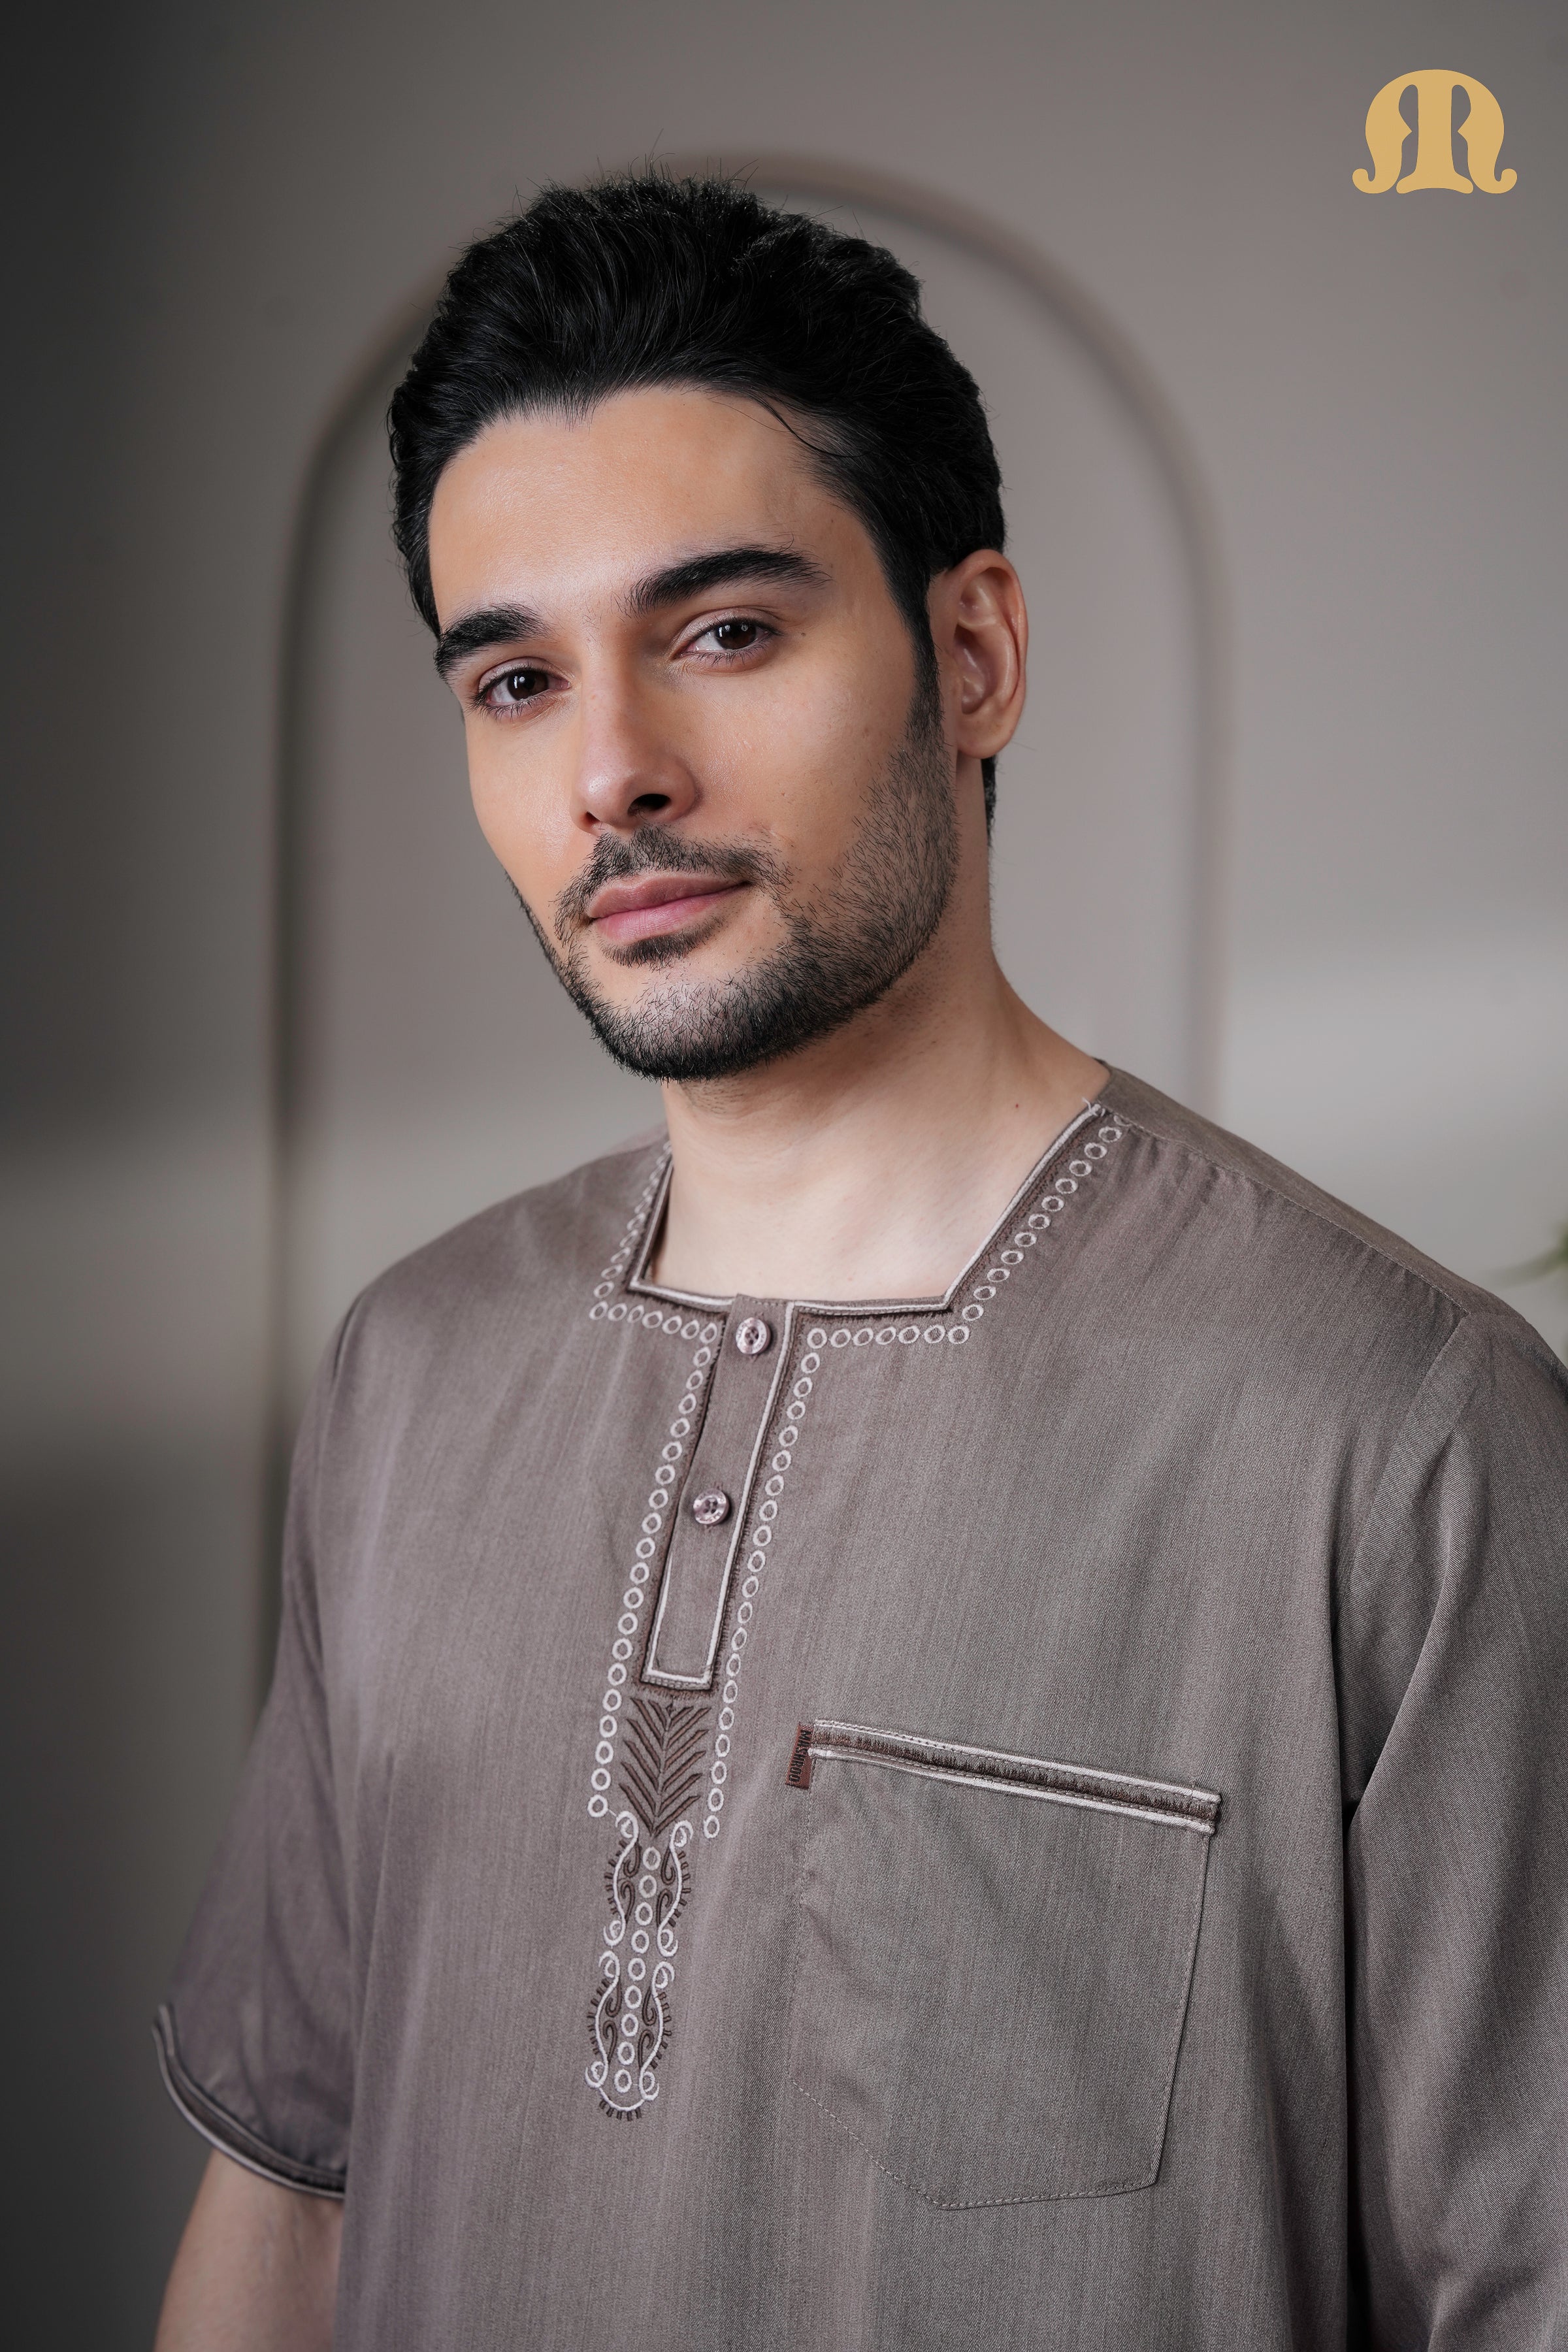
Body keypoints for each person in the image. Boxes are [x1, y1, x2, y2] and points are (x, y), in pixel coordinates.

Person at [153, 173, 1568, 2350]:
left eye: (725, 633)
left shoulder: (1397, 1436)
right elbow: (289, 2200)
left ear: (971, 654)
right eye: (516, 680)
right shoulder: (411, 1371)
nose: (613, 773)